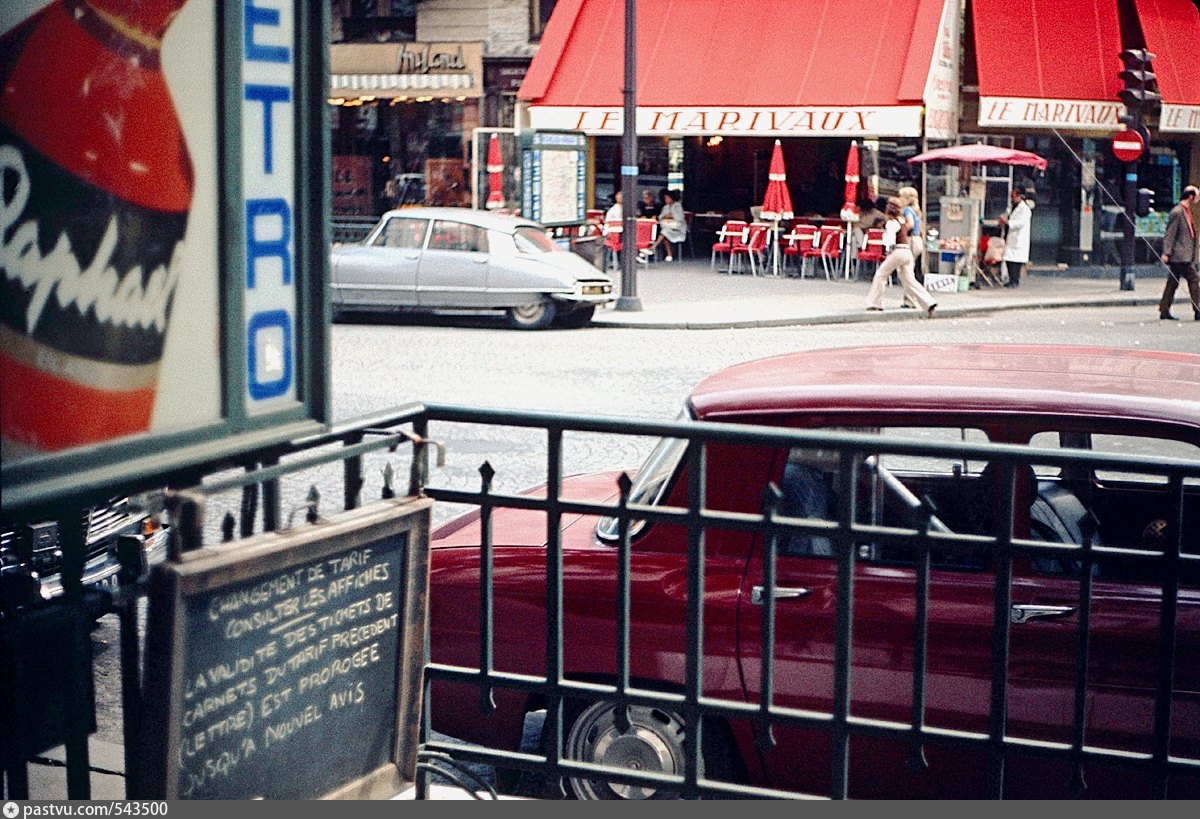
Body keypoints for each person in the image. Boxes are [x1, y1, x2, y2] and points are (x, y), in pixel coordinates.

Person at [865, 197, 937, 316]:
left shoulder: (891, 223)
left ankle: (876, 303)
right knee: (909, 280)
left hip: (898, 251)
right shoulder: (902, 221)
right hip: (907, 251)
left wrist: (886, 250)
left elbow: (890, 240)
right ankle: (929, 302)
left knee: (880, 274)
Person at [1158, 184, 1200, 321]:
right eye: (1196, 196)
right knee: (1194, 280)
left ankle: (1164, 309)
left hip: (1184, 255)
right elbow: (1170, 234)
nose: (1197, 199)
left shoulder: (1186, 211)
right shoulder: (1177, 212)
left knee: (1172, 283)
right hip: (1180, 255)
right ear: (1191, 196)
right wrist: (1166, 252)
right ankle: (1198, 309)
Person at [998, 186, 1033, 288]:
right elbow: (1007, 214)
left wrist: (1008, 222)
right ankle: (1011, 279)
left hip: (1018, 239)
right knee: (1008, 259)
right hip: (1011, 237)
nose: (1011, 199)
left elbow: (1019, 223)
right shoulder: (1012, 207)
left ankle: (1014, 281)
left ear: (1019, 196)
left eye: (1013, 196)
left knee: (1015, 261)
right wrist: (1003, 218)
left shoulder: (1025, 210)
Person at [650, 190, 688, 262]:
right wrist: (667, 216)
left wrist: (669, 216)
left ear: (672, 198)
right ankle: (669, 254)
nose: (666, 200)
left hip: (678, 229)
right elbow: (661, 217)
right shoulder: (665, 207)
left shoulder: (678, 206)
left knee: (664, 232)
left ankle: (654, 246)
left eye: (667, 198)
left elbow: (679, 218)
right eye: (665, 198)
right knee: (664, 234)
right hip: (667, 227)